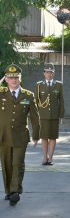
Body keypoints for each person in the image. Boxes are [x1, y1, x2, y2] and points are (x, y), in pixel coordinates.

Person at [0, 64, 40, 206]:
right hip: (3, 136)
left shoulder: (28, 95)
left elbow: (35, 117)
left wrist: (36, 135)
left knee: (17, 163)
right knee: (6, 164)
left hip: (20, 136)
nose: (14, 80)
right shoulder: (1, 93)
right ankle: (9, 191)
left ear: (20, 78)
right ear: (6, 79)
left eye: (16, 77)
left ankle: (15, 191)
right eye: (10, 78)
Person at [35, 63, 64, 166]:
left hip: (54, 116)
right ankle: (44, 157)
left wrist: (61, 115)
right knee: (44, 137)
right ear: (44, 73)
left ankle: (50, 157)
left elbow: (61, 101)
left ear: (54, 73)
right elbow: (36, 101)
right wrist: (36, 115)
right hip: (43, 116)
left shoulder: (59, 85)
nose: (49, 74)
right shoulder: (39, 85)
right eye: (47, 72)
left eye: (51, 72)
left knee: (52, 137)